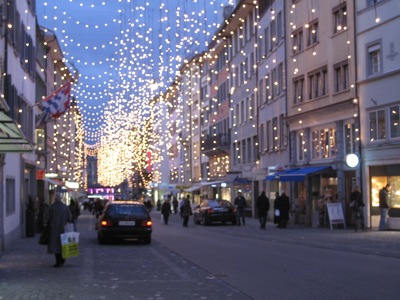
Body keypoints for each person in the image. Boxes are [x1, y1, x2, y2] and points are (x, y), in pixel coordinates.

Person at [46, 193, 72, 268]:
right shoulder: (65, 207)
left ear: (55, 199)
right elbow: (70, 217)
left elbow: (47, 218)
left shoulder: (51, 207)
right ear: (61, 198)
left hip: (54, 229)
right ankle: (62, 259)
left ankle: (58, 261)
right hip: (64, 228)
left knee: (55, 245)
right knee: (63, 244)